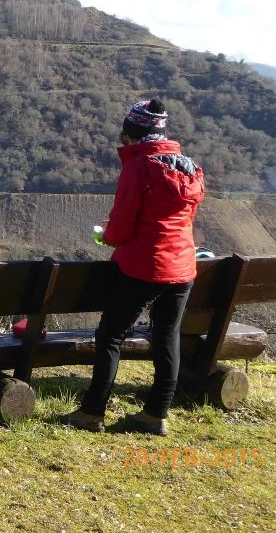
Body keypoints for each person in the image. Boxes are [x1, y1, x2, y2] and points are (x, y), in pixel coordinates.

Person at [60, 99, 205, 435]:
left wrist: (106, 236)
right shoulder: (191, 168)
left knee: (110, 335)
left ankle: (93, 411)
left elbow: (122, 225)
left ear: (130, 133)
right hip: (183, 266)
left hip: (145, 266)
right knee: (167, 335)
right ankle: (156, 414)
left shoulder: (140, 168)